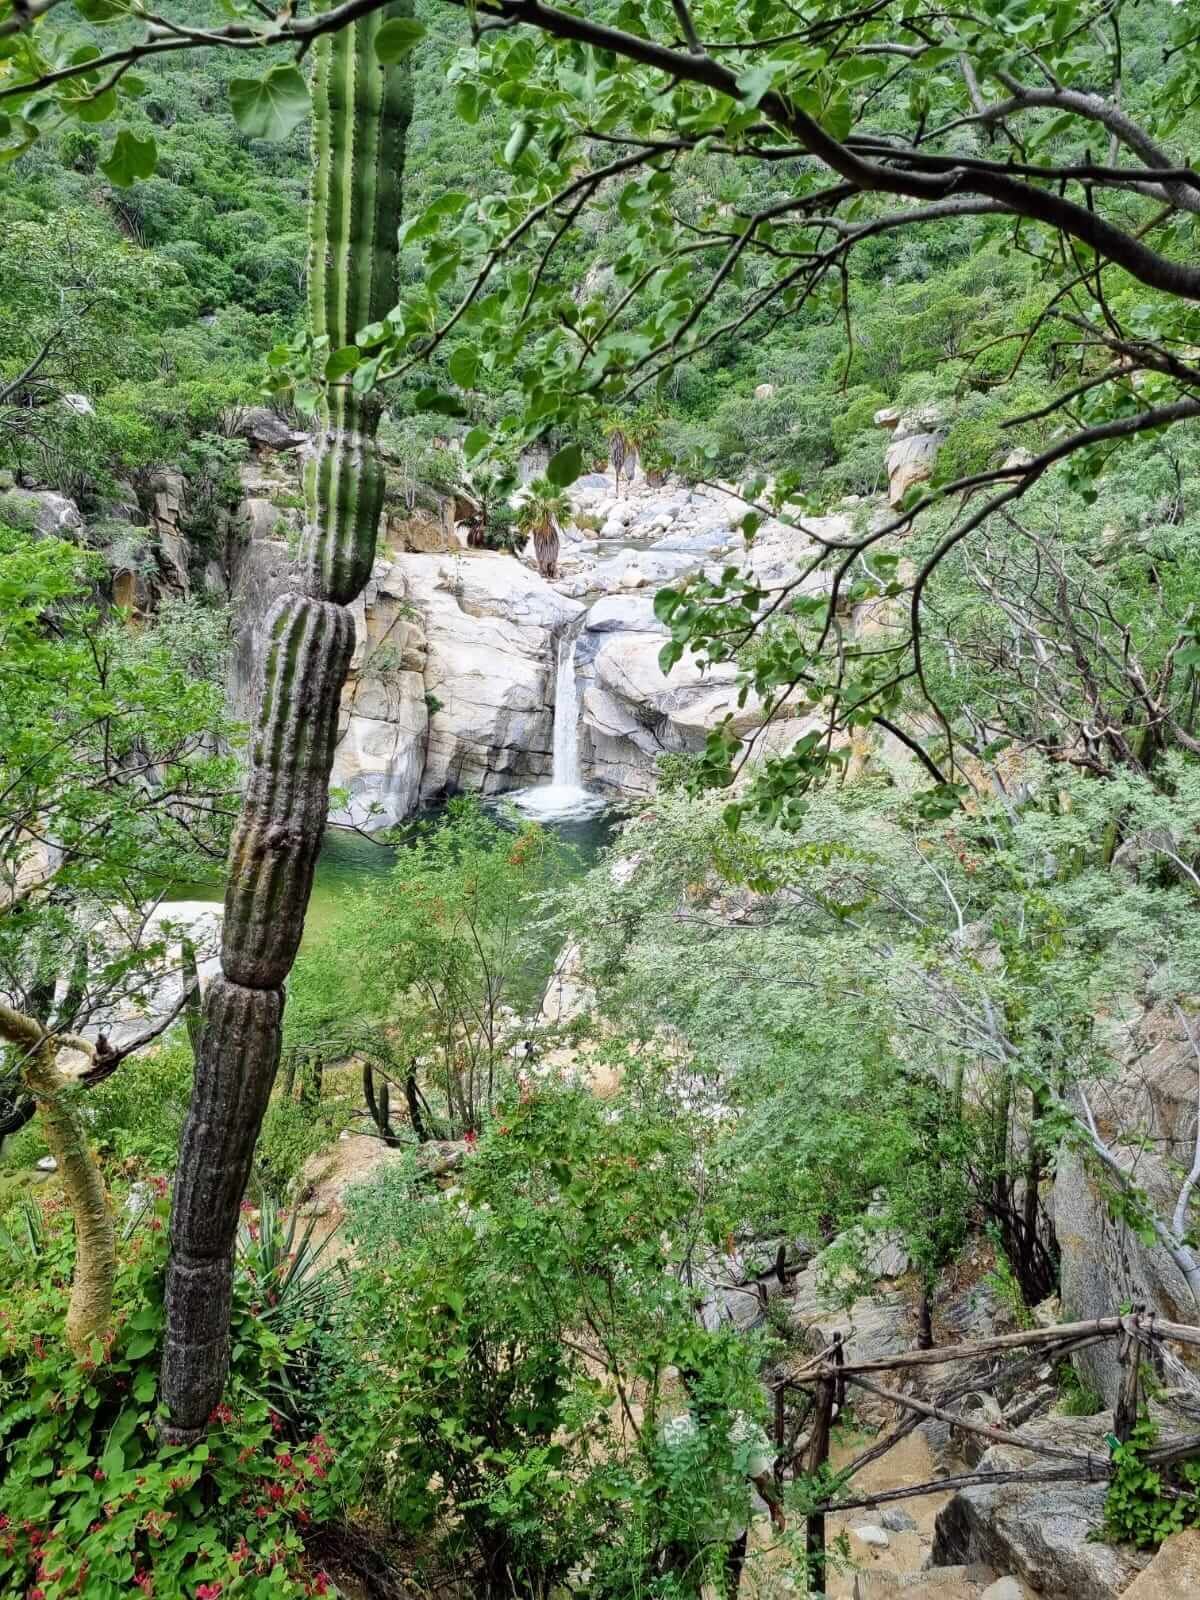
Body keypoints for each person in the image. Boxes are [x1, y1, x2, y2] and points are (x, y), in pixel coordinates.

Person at [659, 1390, 787, 1596]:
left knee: (685, 1588)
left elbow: (662, 1486)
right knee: (730, 1587)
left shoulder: (672, 1430)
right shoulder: (744, 1426)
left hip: (690, 1529)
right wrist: (776, 1508)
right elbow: (762, 1479)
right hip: (731, 1528)